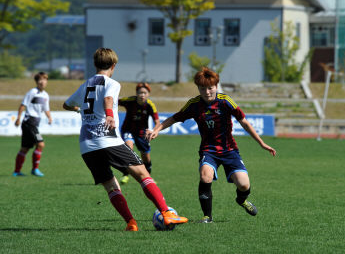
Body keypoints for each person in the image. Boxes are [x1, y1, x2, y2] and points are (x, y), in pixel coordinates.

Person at [63, 48, 188, 231]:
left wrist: (79, 110)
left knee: (111, 187)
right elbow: (107, 98)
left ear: (95, 64)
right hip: (107, 139)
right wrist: (109, 115)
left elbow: (66, 104)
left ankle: (131, 223)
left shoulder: (85, 85)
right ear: (113, 66)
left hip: (87, 145)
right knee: (143, 174)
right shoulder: (112, 83)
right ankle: (166, 213)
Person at [146, 67, 276, 223]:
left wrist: (262, 143)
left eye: (210, 88)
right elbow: (174, 118)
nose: (207, 92)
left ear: (216, 86)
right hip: (209, 150)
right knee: (205, 176)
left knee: (243, 184)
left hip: (229, 149)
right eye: (203, 88)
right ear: (198, 88)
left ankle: (241, 200)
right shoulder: (194, 104)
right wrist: (156, 130)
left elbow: (244, 122)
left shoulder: (225, 101)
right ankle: (207, 216)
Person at [118, 82, 160, 184]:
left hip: (142, 133)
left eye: (145, 93)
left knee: (145, 157)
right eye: (140, 92)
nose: (142, 95)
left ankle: (148, 178)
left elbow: (157, 121)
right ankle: (126, 175)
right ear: (136, 93)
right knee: (129, 150)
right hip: (128, 130)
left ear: (148, 94)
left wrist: (154, 131)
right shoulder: (129, 101)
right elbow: (113, 101)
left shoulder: (150, 105)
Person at [13, 72, 52, 177]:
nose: (42, 82)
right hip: (29, 122)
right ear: (36, 82)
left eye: (44, 79)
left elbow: (46, 109)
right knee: (40, 144)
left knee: (25, 148)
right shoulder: (32, 92)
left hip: (33, 123)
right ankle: (35, 170)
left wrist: (49, 117)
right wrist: (18, 118)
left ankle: (16, 171)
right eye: (40, 80)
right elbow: (23, 105)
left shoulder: (45, 95)